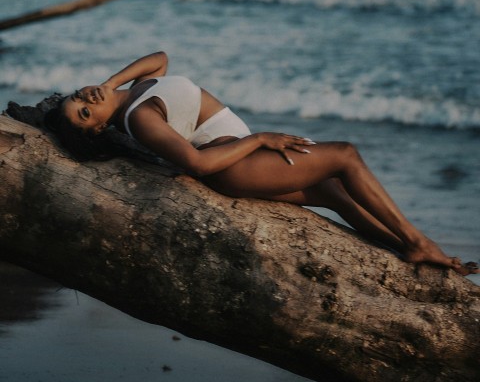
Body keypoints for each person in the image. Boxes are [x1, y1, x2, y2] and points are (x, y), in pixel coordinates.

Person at [46, 51, 478, 276]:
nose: (86, 101)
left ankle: (408, 251)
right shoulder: (139, 117)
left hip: (241, 155)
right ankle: (419, 241)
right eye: (84, 114)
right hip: (235, 166)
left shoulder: (133, 91)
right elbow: (197, 164)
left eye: (78, 98)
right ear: (98, 129)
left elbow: (160, 57)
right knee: (344, 155)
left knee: (335, 195)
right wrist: (260, 139)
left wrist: (110, 83)